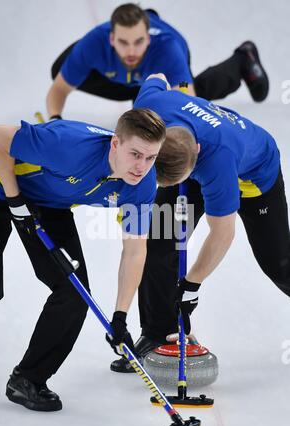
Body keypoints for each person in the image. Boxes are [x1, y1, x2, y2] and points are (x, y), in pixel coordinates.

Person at [0, 108, 188, 411]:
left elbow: (135, 250)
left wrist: (120, 317)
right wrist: (15, 200)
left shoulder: (142, 185)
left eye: (151, 158)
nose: (142, 166)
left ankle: (27, 380)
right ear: (115, 144)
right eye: (136, 154)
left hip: (46, 203)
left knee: (73, 293)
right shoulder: (69, 145)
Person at [111, 73, 290, 372]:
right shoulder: (152, 108)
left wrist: (191, 285)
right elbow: (157, 77)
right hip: (186, 159)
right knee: (159, 241)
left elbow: (223, 234)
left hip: (253, 175)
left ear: (195, 156)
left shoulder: (217, 163)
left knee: (279, 265)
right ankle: (158, 336)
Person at [46, 3, 269, 120]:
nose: (131, 51)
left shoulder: (168, 50)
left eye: (139, 42)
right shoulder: (93, 43)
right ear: (111, 38)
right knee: (59, 70)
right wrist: (55, 120)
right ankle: (139, 91)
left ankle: (240, 60)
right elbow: (59, 89)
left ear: (149, 38)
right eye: (123, 42)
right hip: (130, 78)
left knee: (184, 101)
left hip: (166, 69)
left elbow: (185, 100)